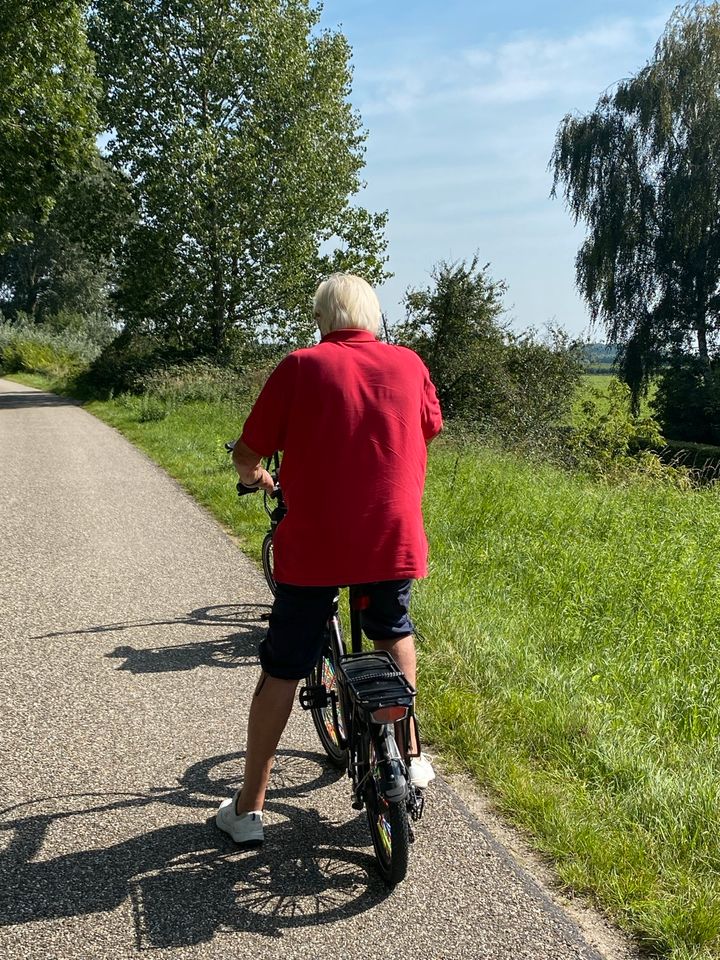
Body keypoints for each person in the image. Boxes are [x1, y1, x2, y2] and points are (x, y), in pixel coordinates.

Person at [216, 273, 443, 845]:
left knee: (283, 667)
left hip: (315, 547)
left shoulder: (301, 366)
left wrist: (258, 474)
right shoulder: (410, 364)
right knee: (392, 630)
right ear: (372, 317)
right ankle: (410, 755)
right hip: (391, 539)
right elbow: (428, 427)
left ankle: (248, 810)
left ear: (323, 319)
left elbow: (248, 451)